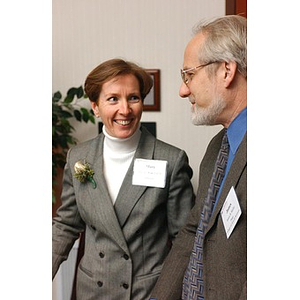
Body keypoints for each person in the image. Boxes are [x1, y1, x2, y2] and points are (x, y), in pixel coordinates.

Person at [52, 58, 195, 300]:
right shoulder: (79, 158)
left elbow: (184, 239)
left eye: (133, 98)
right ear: (95, 107)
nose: (125, 110)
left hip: (147, 292)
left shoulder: (171, 160)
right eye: (113, 99)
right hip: (92, 290)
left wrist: (167, 293)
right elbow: (66, 225)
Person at [151, 15, 247, 300]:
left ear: (226, 71)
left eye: (188, 75)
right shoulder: (217, 147)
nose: (183, 90)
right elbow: (194, 230)